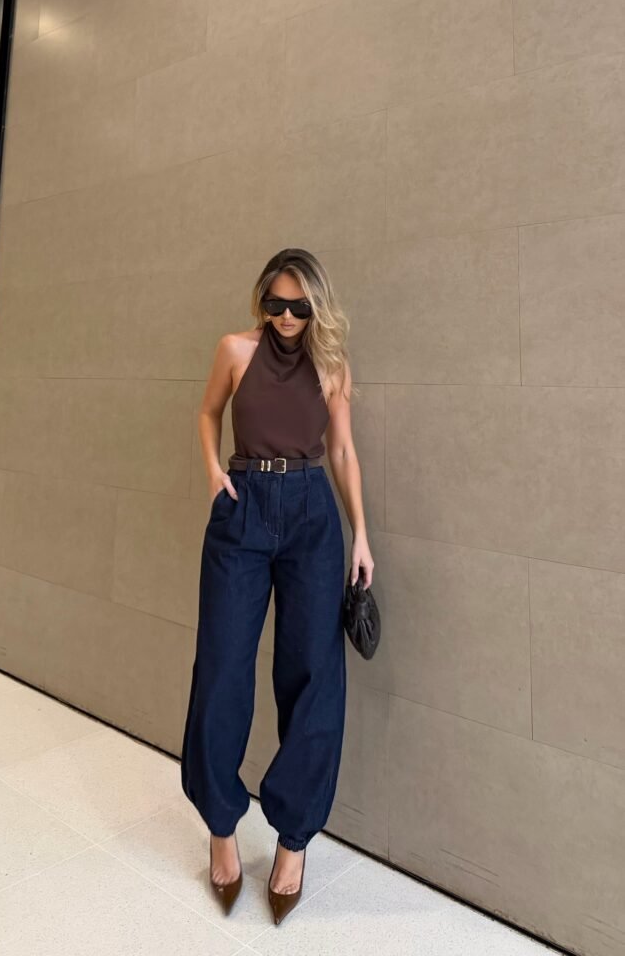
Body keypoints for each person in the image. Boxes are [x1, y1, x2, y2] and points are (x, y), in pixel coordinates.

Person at [180, 247, 374, 925]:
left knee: (313, 672)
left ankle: (293, 839)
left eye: (299, 306)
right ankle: (222, 826)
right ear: (260, 300)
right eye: (274, 304)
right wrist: (213, 473)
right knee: (223, 669)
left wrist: (362, 536)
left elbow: (343, 451)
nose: (286, 318)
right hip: (243, 506)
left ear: (315, 305)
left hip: (311, 516)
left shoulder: (331, 365)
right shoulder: (235, 349)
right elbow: (207, 414)